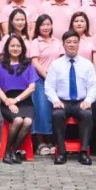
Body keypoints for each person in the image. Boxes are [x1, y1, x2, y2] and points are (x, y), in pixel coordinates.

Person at [45, 30, 96, 165]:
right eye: (68, 42)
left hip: (81, 102)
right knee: (57, 115)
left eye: (75, 42)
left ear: (79, 44)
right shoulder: (56, 64)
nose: (72, 45)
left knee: (87, 115)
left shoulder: (87, 64)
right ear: (63, 45)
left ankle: (83, 152)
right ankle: (61, 152)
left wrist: (88, 100)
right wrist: (55, 100)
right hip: (62, 102)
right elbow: (49, 86)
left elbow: (93, 86)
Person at [0, 34, 39, 164]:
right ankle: (7, 152)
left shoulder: (28, 65)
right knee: (18, 120)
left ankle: (13, 152)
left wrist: (16, 100)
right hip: (7, 100)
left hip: (24, 101)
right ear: (7, 48)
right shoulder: (0, 65)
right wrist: (8, 102)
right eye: (12, 45)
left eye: (18, 46)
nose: (15, 48)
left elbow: (32, 88)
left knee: (28, 122)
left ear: (22, 48)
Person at [29, 14, 63, 156]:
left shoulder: (57, 41)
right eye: (43, 24)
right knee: (41, 110)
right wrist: (46, 75)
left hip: (56, 81)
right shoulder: (35, 42)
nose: (45, 27)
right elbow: (34, 62)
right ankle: (41, 142)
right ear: (38, 27)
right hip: (40, 80)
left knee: (53, 109)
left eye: (48, 24)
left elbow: (61, 59)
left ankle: (52, 141)